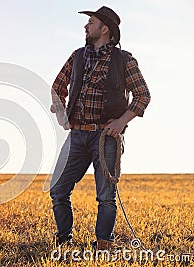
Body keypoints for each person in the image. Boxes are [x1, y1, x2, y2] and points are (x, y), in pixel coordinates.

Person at [49, 6, 151, 250]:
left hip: (106, 136)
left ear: (104, 29)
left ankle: (103, 244)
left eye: (91, 22)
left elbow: (142, 95)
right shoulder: (77, 56)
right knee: (58, 190)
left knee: (106, 197)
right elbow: (57, 88)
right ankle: (64, 239)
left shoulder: (124, 59)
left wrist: (121, 122)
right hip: (77, 135)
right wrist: (63, 117)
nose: (86, 26)